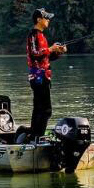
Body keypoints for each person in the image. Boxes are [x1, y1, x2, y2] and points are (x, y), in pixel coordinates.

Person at [26, 8, 66, 139]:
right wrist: (50, 49)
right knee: (44, 110)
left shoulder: (42, 36)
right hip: (38, 77)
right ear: (39, 19)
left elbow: (46, 58)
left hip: (44, 77)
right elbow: (34, 54)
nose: (48, 20)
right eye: (46, 18)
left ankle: (35, 136)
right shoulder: (33, 34)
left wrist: (59, 52)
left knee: (40, 109)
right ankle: (37, 137)